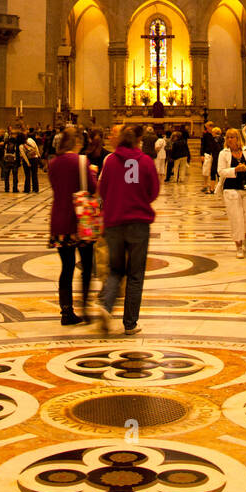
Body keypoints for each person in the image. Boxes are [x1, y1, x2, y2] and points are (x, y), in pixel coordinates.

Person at [96, 123, 161, 336]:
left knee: (115, 269)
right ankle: (130, 323)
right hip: (138, 223)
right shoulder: (145, 161)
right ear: (138, 141)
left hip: (114, 222)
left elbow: (102, 190)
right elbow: (153, 191)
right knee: (135, 273)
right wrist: (139, 199)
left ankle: (106, 306)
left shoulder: (111, 161)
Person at [48, 125, 96, 324]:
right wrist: (92, 172)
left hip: (59, 221)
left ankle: (66, 311)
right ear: (77, 143)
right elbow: (93, 188)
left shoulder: (53, 163)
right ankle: (85, 306)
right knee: (86, 266)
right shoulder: (81, 161)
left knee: (66, 267)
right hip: (80, 221)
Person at [217, 127, 246, 257]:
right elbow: (221, 171)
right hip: (230, 188)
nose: (229, 139)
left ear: (238, 138)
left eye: (232, 137)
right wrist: (235, 170)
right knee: (236, 217)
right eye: (227, 137)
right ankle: (238, 245)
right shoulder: (223, 153)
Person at [1, 126, 21, 193]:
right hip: (14, 161)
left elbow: (3, 151)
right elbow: (18, 153)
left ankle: (7, 188)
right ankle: (15, 188)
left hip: (7, 161)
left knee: (7, 176)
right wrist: (19, 162)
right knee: (15, 176)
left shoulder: (6, 142)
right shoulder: (17, 143)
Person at [200, 121, 216, 192]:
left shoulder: (214, 134)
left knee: (213, 170)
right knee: (205, 170)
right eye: (209, 126)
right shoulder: (205, 135)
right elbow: (202, 145)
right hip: (207, 153)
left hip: (214, 154)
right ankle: (205, 184)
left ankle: (213, 185)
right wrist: (201, 154)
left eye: (211, 126)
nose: (210, 128)